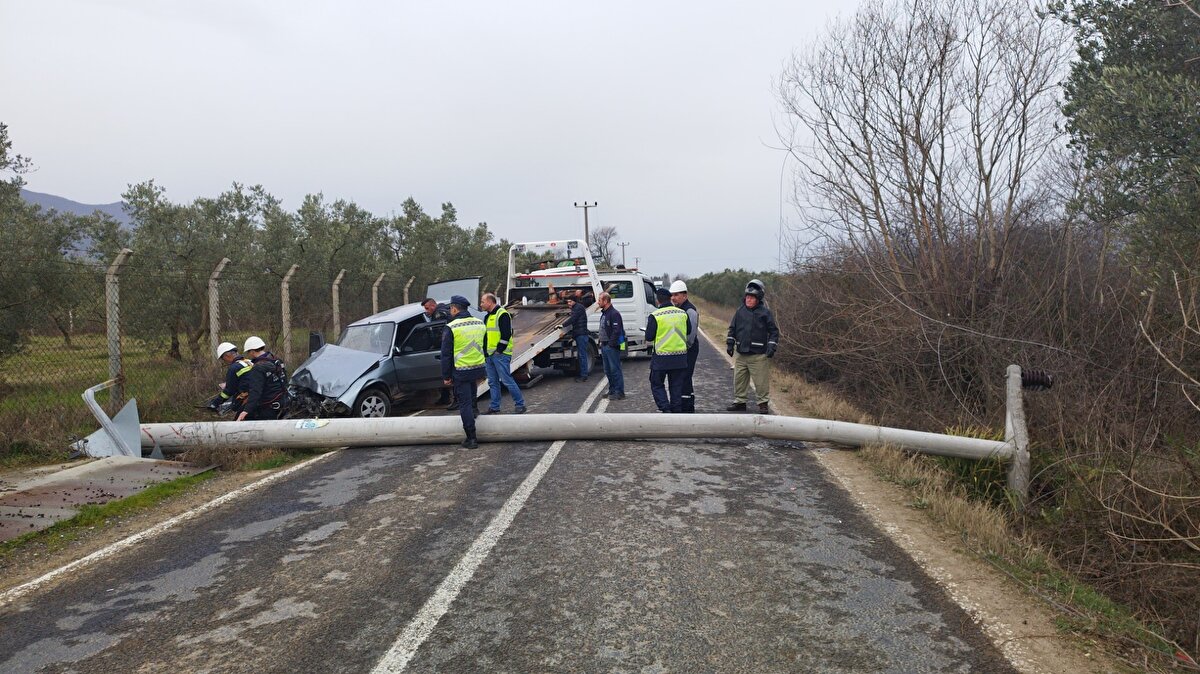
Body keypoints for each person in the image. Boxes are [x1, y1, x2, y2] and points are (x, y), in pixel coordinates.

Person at [726, 279, 780, 414]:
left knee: (761, 382)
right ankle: (740, 402)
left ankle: (762, 404)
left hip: (759, 355)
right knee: (738, 380)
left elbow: (774, 331)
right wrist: (730, 344)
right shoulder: (740, 311)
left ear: (759, 298)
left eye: (752, 298)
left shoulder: (765, 313)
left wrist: (771, 347)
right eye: (747, 297)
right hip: (741, 353)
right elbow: (732, 329)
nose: (748, 300)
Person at [441, 295, 486, 448]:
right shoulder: (479, 322)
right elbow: (484, 346)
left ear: (454, 308)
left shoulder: (451, 327)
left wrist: (446, 376)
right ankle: (475, 413)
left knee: (464, 403)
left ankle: (471, 438)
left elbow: (446, 355)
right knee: (472, 398)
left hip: (461, 370)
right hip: (478, 367)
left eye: (450, 308)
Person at [480, 292, 527, 415]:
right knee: (492, 382)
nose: (481, 304)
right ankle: (494, 406)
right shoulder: (487, 316)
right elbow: (486, 336)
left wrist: (499, 350)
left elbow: (506, 334)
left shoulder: (502, 314)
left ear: (490, 302)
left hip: (500, 354)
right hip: (490, 355)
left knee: (506, 380)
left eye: (482, 302)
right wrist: (486, 352)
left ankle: (520, 404)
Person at [646, 288, 692, 413]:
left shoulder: (655, 316)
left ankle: (665, 409)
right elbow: (688, 331)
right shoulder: (683, 313)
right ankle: (676, 411)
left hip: (661, 358)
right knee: (676, 386)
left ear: (658, 300)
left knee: (656, 383)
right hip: (680, 358)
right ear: (670, 298)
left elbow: (649, 337)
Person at [237, 336, 290, 421]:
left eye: (248, 352)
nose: (249, 354)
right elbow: (284, 381)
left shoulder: (258, 368)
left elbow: (255, 391)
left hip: (268, 407)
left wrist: (246, 411)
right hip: (283, 402)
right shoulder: (276, 360)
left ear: (252, 351)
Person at [669, 280, 701, 413]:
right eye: (672, 295)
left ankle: (687, 407)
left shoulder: (690, 311)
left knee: (685, 377)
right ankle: (687, 405)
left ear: (685, 295)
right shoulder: (680, 309)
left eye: (676, 295)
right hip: (683, 349)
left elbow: (691, 336)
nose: (673, 298)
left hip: (689, 349)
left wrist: (683, 348)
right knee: (684, 377)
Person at [206, 341, 253, 414]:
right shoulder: (249, 361)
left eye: (223, 359)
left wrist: (215, 403)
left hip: (247, 400)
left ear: (226, 356)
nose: (224, 361)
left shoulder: (233, 368)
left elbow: (229, 391)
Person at [597, 291, 626, 400]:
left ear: (605, 301)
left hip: (611, 347)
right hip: (604, 346)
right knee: (608, 370)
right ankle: (612, 390)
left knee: (615, 369)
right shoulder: (605, 313)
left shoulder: (614, 313)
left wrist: (610, 344)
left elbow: (616, 330)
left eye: (599, 300)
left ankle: (619, 392)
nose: (598, 302)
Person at [564, 293, 591, 382]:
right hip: (580, 334)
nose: (568, 303)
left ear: (574, 301)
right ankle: (582, 374)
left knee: (582, 355)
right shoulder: (576, 307)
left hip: (581, 334)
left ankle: (584, 375)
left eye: (570, 301)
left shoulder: (578, 308)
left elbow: (573, 319)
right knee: (581, 355)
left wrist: (562, 325)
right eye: (567, 302)